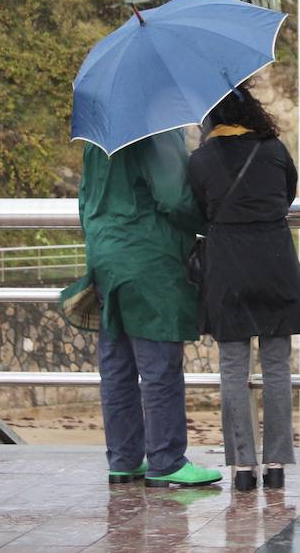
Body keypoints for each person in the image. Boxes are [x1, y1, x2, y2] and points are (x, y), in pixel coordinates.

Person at [187, 84, 300, 492]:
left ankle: (243, 469)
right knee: (277, 368)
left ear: (212, 118)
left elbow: (195, 211)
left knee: (232, 370)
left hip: (228, 268)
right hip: (275, 263)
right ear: (252, 113)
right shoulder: (273, 149)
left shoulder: (201, 160)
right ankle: (276, 463)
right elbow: (287, 194)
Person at [73, 129, 222, 488]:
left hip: (106, 255)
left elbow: (84, 199)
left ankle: (124, 459)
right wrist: (210, 219)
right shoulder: (156, 133)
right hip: (149, 258)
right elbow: (175, 199)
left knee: (117, 365)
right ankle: (166, 459)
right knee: (159, 363)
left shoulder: (98, 138)